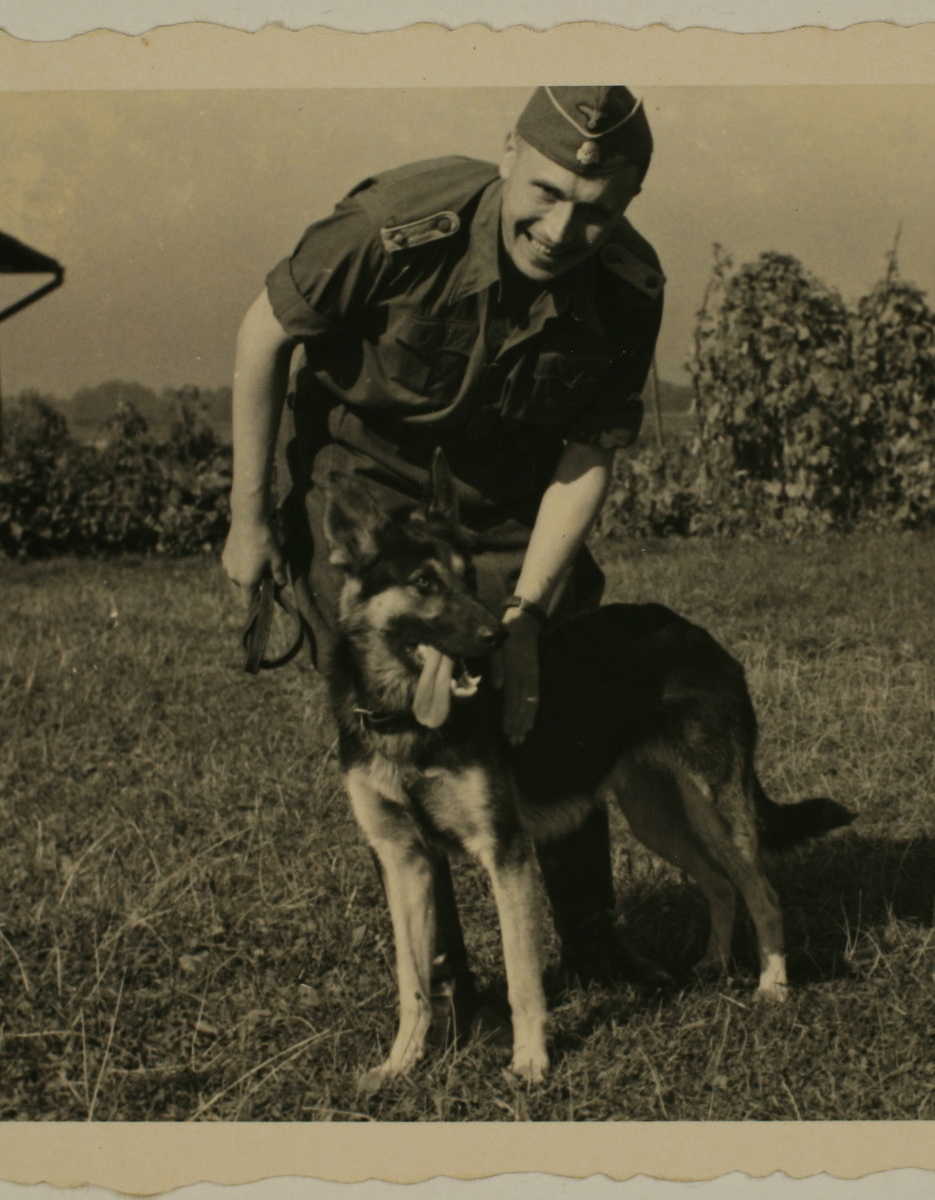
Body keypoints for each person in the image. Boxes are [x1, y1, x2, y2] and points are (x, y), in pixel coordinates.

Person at [220, 86, 672, 1010]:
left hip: (511, 506)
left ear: (626, 202)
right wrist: (251, 516)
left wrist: (532, 611)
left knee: (551, 701)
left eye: (597, 210)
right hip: (364, 492)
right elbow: (264, 336)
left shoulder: (629, 285)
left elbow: (588, 453)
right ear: (509, 150)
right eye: (546, 191)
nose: (560, 230)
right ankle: (445, 979)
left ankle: (589, 938)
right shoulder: (394, 227)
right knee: (402, 713)